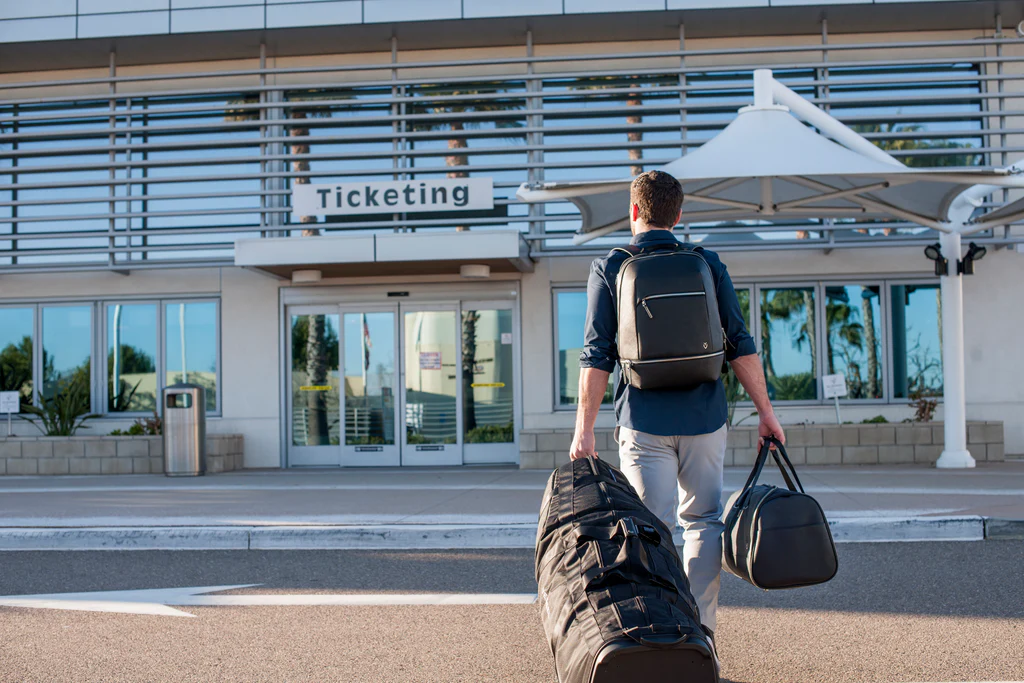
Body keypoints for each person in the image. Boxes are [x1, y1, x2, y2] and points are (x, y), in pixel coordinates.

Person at [568, 169, 785, 641]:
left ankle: (661, 636)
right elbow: (740, 344)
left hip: (643, 420)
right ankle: (701, 635)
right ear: (679, 214)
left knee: (652, 526)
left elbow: (596, 353)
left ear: (633, 212)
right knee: (704, 521)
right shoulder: (705, 262)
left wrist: (583, 430)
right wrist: (767, 413)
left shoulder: (611, 265)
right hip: (705, 417)